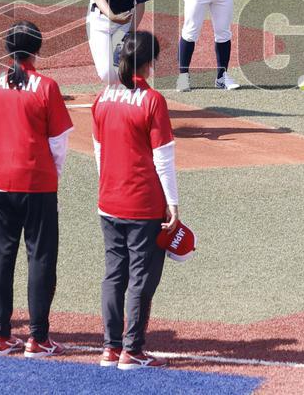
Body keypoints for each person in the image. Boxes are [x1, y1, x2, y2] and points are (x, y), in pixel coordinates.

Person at [0, 21, 74, 358]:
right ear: (38, 48)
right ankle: (37, 337)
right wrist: (51, 178)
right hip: (36, 182)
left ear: (7, 50)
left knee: (2, 256)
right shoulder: (46, 87)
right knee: (41, 256)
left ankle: (0, 335)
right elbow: (58, 144)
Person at [92, 31, 179, 370]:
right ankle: (133, 350)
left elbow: (100, 153)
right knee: (142, 277)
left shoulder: (102, 98)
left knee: (114, 274)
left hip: (109, 201)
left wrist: (110, 186)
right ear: (151, 61)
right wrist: (173, 203)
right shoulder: (152, 101)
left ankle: (111, 348)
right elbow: (163, 158)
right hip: (143, 205)